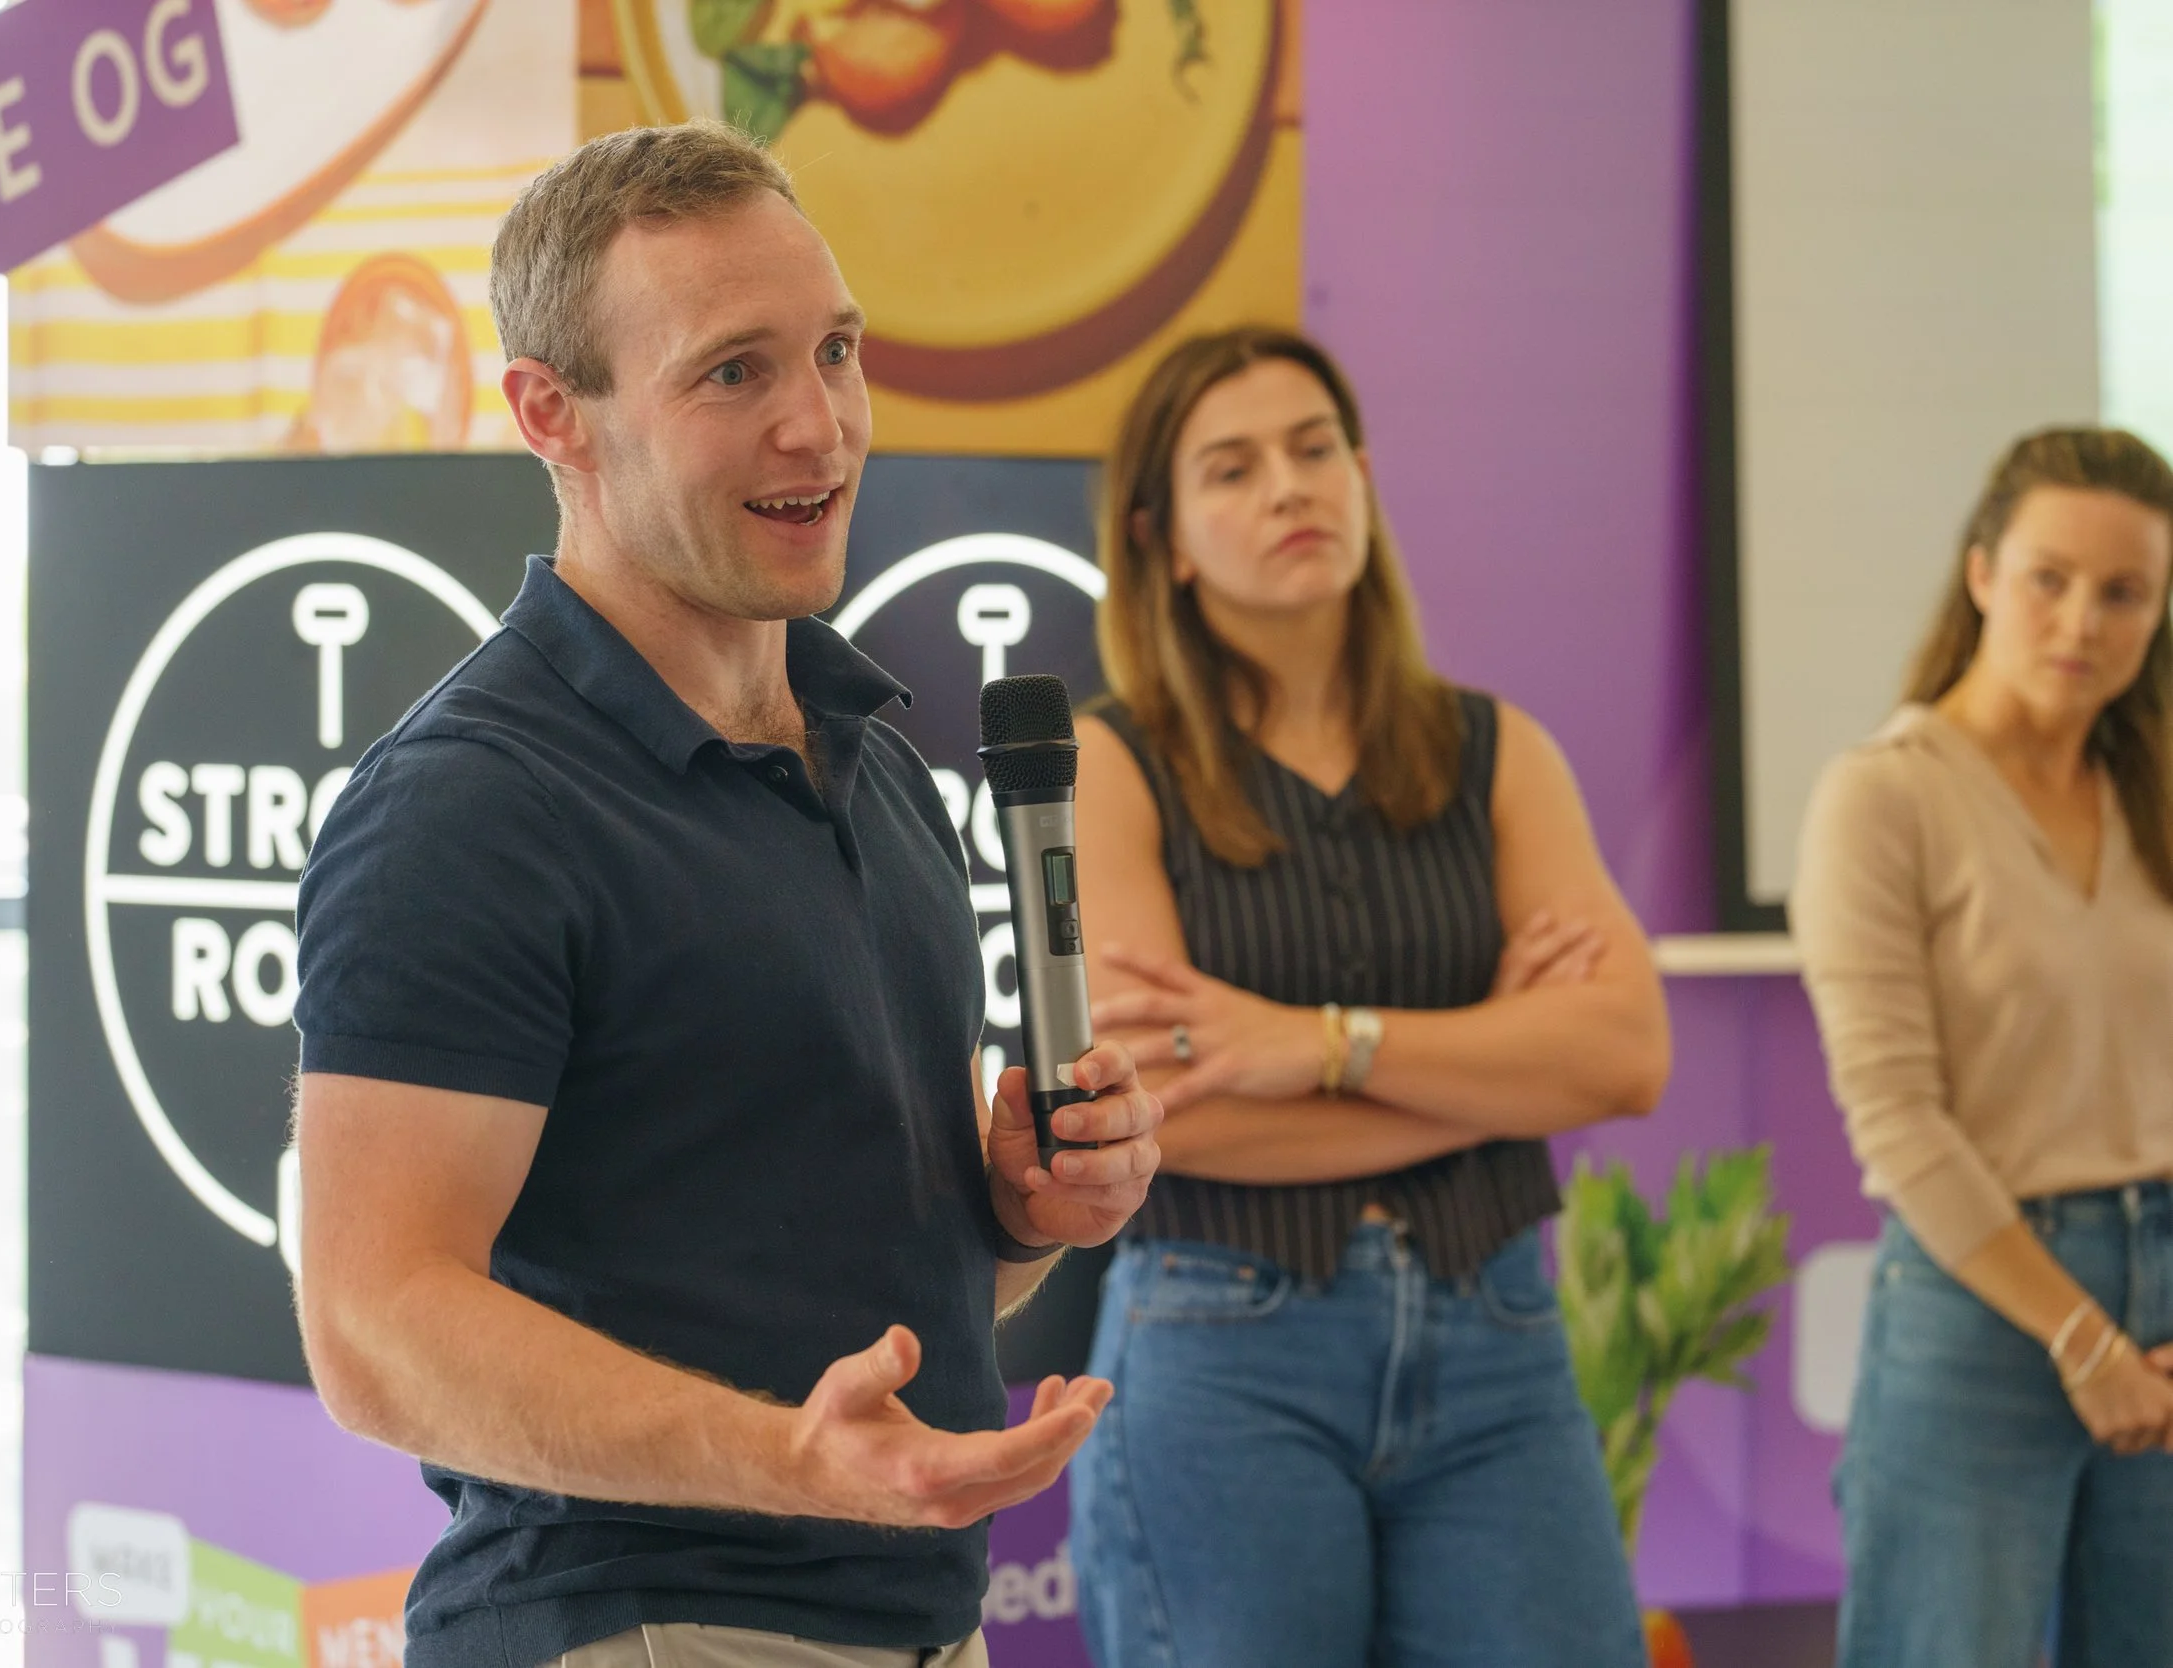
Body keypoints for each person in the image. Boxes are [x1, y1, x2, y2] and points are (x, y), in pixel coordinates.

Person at [288, 122, 1164, 1668]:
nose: (818, 425)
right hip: (640, 1628)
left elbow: (828, 1271)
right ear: (553, 415)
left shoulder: (880, 769)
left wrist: (1023, 1214)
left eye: (834, 350)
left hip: (915, 1622)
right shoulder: (472, 804)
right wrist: (788, 1461)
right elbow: (372, 1330)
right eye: (732, 373)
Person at [1060, 325, 1669, 1668]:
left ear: (1364, 477)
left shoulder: (1497, 752)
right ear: (1164, 536)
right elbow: (1161, 1111)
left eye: (1314, 448)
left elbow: (1624, 1055)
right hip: (1225, 1351)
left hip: (1497, 1337)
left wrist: (1318, 1047)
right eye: (1233, 468)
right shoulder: (1112, 764)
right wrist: (1494, 1075)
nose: (1289, 486)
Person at [1792, 428, 2173, 1668]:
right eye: (2046, 578)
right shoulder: (1882, 795)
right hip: (1981, 1310)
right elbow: (1898, 1122)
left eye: (2124, 593)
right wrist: (2080, 1339)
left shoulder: (2154, 792)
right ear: (1978, 575)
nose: (2083, 621)